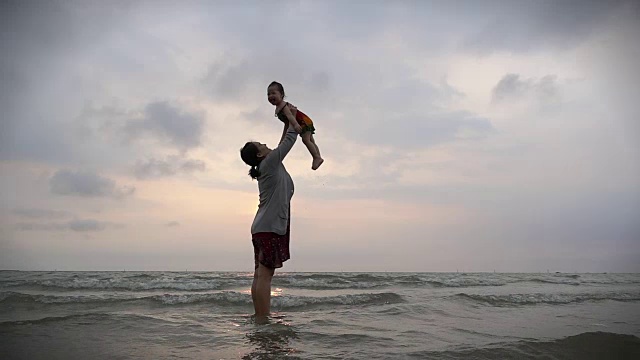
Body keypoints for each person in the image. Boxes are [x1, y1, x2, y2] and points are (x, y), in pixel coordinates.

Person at [240, 125, 298, 321]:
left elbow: (281, 144)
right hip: (269, 228)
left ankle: (259, 316)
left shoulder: (270, 164)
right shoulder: (270, 163)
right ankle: (263, 318)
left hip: (262, 227)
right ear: (259, 154)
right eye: (261, 144)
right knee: (265, 275)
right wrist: (291, 118)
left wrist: (284, 123)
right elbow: (289, 140)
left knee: (259, 274)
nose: (266, 144)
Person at [267, 81, 324, 170]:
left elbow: (290, 116)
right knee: (310, 141)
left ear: (281, 95)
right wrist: (282, 140)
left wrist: (296, 124)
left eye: (273, 93)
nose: (270, 96)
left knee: (306, 140)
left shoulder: (283, 105)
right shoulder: (278, 109)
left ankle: (317, 157)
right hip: (304, 121)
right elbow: (287, 124)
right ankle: (318, 157)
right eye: (268, 94)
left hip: (303, 121)